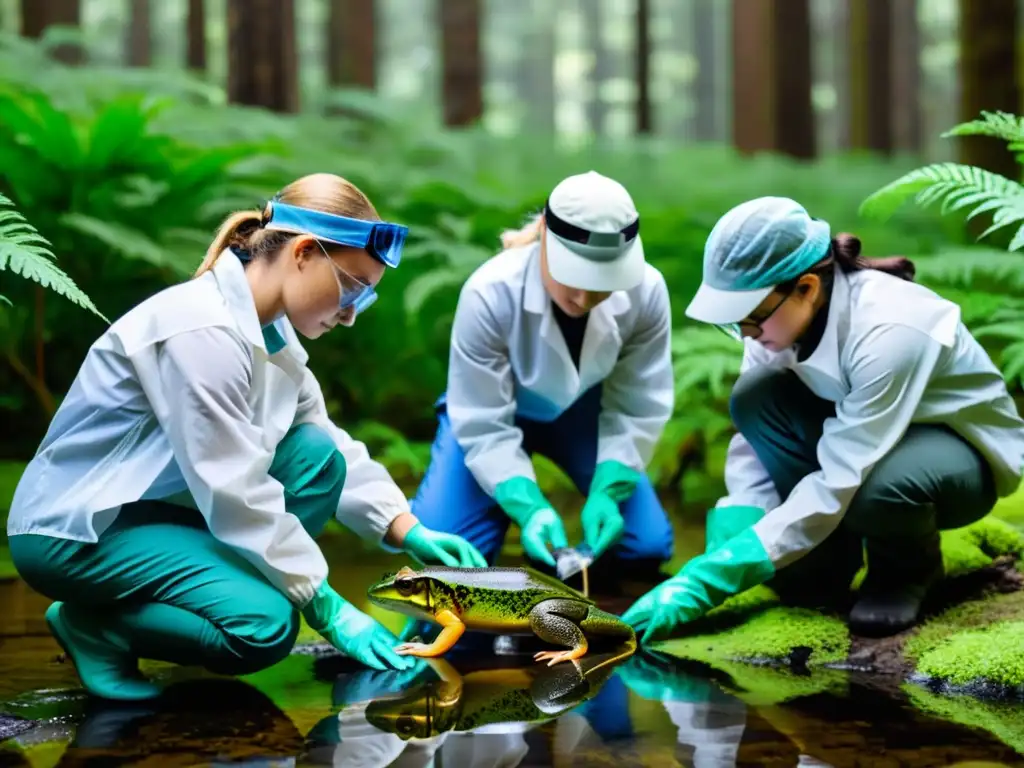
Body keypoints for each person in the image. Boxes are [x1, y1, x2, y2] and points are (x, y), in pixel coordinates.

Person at [6, 173, 486, 702]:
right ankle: (96, 628)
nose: (350, 315)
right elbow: (234, 489)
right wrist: (324, 606)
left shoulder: (273, 337)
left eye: (363, 300)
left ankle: (209, 599)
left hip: (156, 510)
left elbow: (327, 440)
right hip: (79, 528)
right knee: (267, 627)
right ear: (303, 252)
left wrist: (406, 528)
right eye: (351, 289)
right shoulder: (200, 330)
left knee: (317, 461)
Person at [622, 196, 1024, 641]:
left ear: (807, 288)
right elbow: (755, 439)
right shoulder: (771, 319)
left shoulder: (892, 331)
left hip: (956, 453)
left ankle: (909, 571)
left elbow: (841, 474)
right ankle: (834, 554)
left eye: (751, 320)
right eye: (736, 323)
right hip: (859, 437)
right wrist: (740, 522)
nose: (746, 335)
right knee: (755, 398)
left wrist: (709, 581)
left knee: (881, 488)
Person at [409, 170, 675, 584]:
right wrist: (529, 507)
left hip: (583, 416)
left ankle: (579, 587)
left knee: (645, 547)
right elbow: (481, 419)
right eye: (574, 277)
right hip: (491, 414)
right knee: (447, 557)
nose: (584, 299)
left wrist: (609, 489)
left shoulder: (646, 291)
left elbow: (638, 404)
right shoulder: (490, 291)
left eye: (601, 283)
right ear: (545, 239)